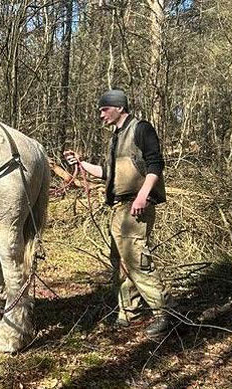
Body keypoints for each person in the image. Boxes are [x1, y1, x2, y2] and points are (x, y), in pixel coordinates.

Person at [64, 89, 171, 337]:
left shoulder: (141, 129)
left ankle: (166, 312)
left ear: (119, 107)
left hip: (136, 206)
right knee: (121, 262)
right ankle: (128, 313)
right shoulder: (115, 138)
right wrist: (80, 164)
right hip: (119, 207)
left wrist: (143, 196)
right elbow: (107, 173)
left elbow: (156, 164)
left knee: (136, 260)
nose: (101, 115)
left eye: (104, 109)